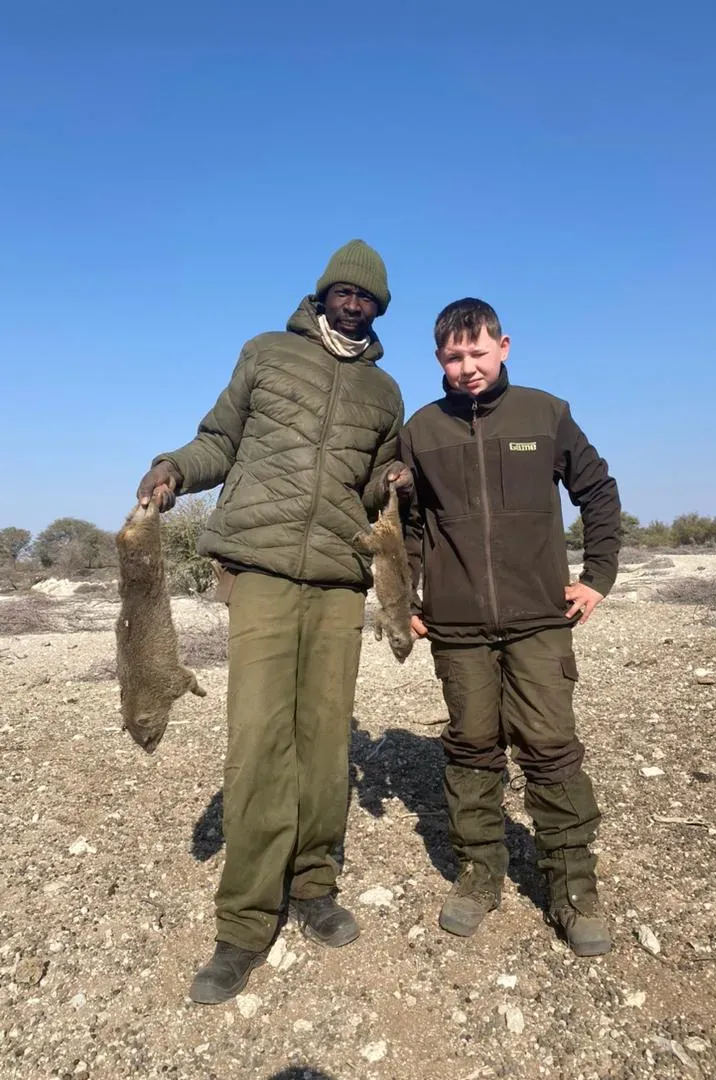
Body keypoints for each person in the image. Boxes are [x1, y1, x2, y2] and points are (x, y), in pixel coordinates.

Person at [135, 240, 412, 1003]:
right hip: (258, 569)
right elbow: (220, 441)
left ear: (379, 309)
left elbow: (374, 493)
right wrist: (174, 468)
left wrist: (397, 479)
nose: (354, 302)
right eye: (343, 291)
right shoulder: (265, 354)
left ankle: (314, 884)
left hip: (338, 580)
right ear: (322, 295)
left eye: (367, 296)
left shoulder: (385, 392)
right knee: (258, 739)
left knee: (325, 741)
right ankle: (245, 922)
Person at [399, 297, 620, 956]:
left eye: (477, 351)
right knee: (471, 748)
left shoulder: (545, 413)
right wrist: (405, 598)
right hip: (457, 624)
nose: (467, 366)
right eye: (453, 356)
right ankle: (478, 874)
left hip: (539, 619)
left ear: (503, 346)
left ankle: (573, 888)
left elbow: (597, 491)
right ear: (439, 359)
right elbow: (408, 526)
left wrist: (598, 576)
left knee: (551, 749)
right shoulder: (420, 430)